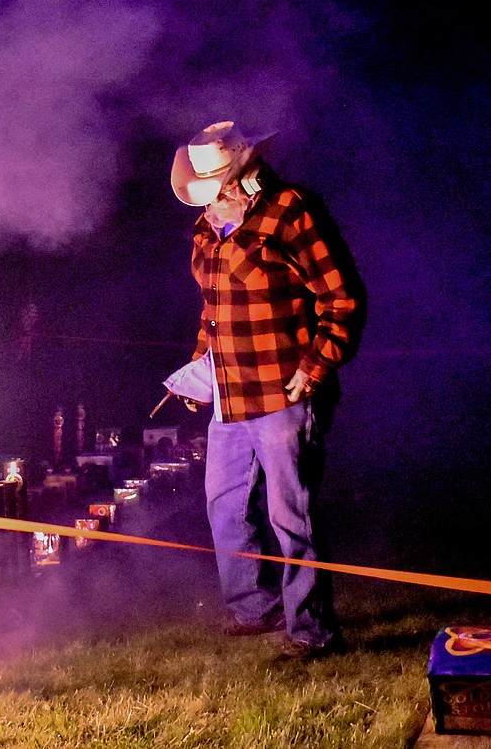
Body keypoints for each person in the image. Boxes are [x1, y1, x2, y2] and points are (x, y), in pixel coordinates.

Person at [169, 120, 366, 659]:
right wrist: (199, 369)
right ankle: (252, 608)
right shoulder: (206, 228)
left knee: (290, 514)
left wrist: (315, 367)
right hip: (230, 394)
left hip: (284, 395)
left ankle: (310, 630)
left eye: (220, 188)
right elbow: (215, 309)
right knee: (224, 504)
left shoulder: (292, 210)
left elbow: (342, 298)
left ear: (243, 175)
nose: (210, 202)